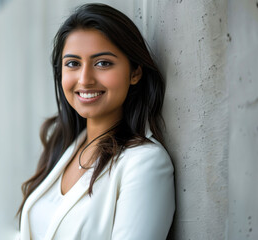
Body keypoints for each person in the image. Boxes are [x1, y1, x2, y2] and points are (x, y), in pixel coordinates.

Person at [17, 3, 175, 239]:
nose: (85, 79)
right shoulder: (63, 146)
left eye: (103, 63)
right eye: (73, 63)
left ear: (135, 72)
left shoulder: (144, 164)